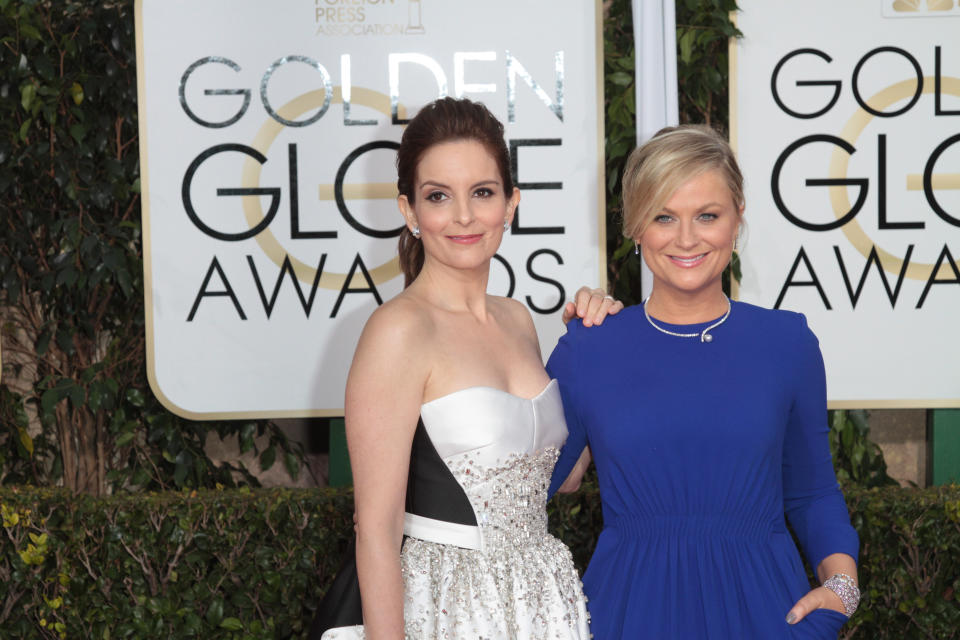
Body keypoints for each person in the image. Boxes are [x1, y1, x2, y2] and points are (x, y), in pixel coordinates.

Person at [311, 97, 619, 640]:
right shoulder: (398, 331)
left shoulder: (519, 319)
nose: (463, 216)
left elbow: (559, 479)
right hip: (445, 606)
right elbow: (376, 533)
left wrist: (602, 351)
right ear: (409, 211)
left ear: (511, 203)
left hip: (541, 599)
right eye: (438, 196)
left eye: (482, 192)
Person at [547, 125, 861, 639]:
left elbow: (812, 492)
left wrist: (842, 591)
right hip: (630, 612)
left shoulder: (787, 343)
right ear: (635, 227)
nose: (687, 238)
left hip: (766, 614)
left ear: (737, 218)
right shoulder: (590, 347)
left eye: (707, 216)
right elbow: (538, 485)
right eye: (664, 216)